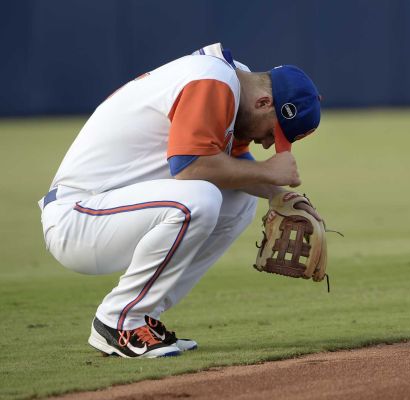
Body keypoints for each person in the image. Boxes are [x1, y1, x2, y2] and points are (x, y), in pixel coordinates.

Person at [38, 43, 322, 358]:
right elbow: (191, 167)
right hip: (79, 216)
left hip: (110, 212)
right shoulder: (212, 80)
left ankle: (143, 317)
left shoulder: (232, 83)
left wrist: (280, 196)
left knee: (238, 202)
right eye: (273, 133)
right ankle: (117, 320)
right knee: (199, 198)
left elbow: (234, 163)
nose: (268, 144)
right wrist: (268, 172)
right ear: (264, 102)